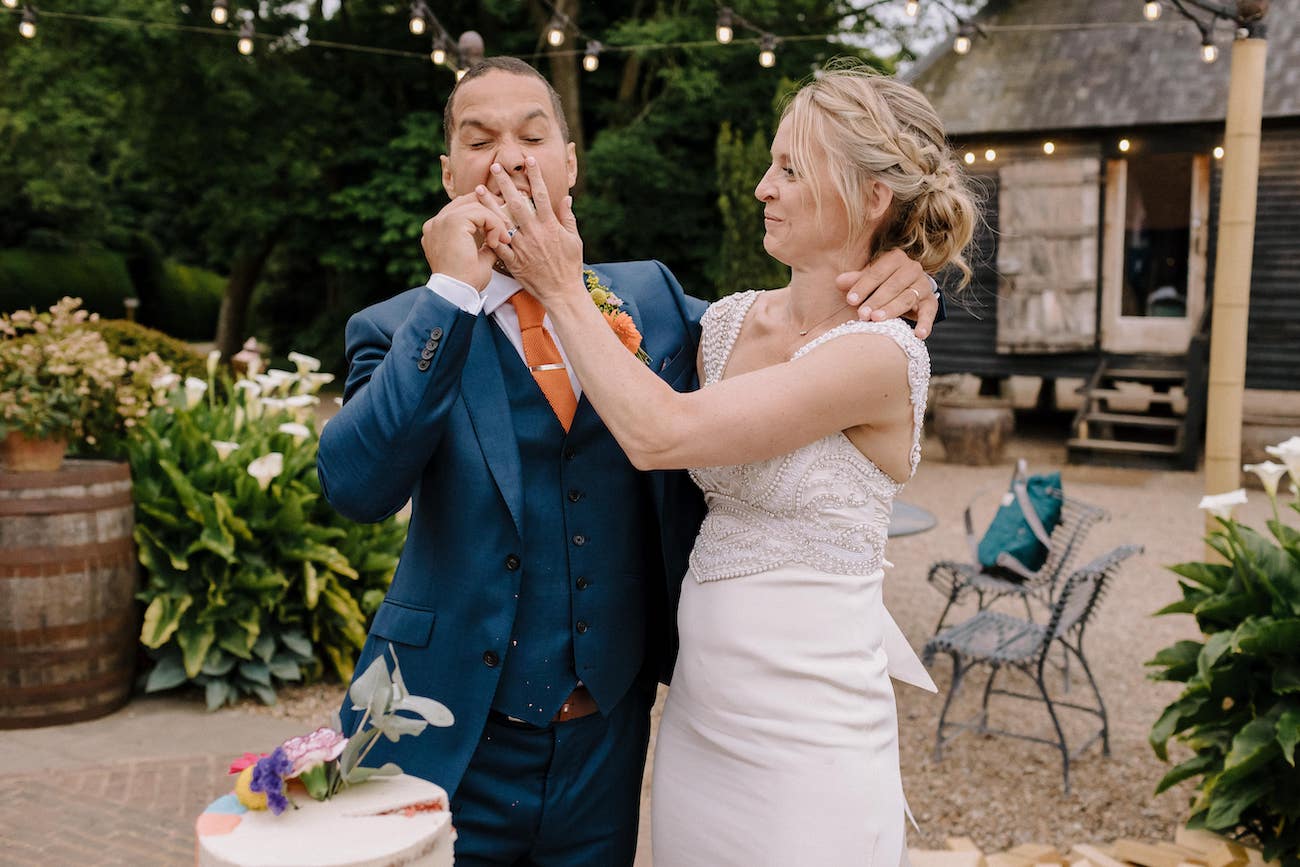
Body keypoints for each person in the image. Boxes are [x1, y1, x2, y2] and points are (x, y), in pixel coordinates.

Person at [316, 56, 944, 866]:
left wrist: (906, 269)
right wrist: (448, 292)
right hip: (448, 736)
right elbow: (356, 485)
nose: (509, 157)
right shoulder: (400, 326)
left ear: (570, 162)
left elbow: (809, 345)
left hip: (607, 749)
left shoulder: (652, 302)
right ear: (448, 175)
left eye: (533, 136)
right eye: (480, 141)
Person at [490, 61, 976, 866]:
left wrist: (562, 283)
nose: (761, 186)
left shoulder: (879, 357)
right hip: (700, 726)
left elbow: (660, 432)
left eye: (790, 168)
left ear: (871, 195)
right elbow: (611, 373)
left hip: (813, 741)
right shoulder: (722, 324)